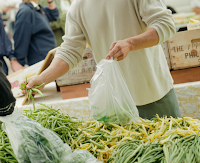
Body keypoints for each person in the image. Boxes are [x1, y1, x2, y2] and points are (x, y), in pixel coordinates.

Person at [23, 0, 182, 119]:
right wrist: (42, 78)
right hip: (117, 105)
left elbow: (165, 24)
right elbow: (70, 51)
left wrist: (130, 43)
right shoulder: (77, 7)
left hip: (154, 94)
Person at [13, 0, 59, 69]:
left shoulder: (36, 7)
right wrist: (20, 62)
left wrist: (50, 1)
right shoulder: (25, 11)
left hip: (49, 56)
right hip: (40, 60)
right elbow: (21, 39)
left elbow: (54, 15)